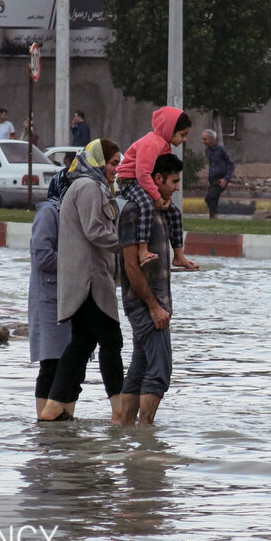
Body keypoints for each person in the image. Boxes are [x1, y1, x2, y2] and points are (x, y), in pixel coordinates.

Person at [39, 139, 126, 423]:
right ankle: (120, 412)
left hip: (87, 281)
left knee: (82, 343)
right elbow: (95, 230)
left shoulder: (91, 186)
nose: (116, 169)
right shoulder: (88, 187)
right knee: (111, 340)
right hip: (89, 282)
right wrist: (128, 245)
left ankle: (53, 408)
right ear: (99, 161)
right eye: (113, 163)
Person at [116, 153, 183, 426]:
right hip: (145, 303)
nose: (177, 187)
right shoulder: (135, 210)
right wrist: (154, 307)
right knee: (159, 370)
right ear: (157, 179)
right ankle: (146, 433)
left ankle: (124, 427)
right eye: (174, 181)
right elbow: (131, 267)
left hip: (157, 302)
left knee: (140, 368)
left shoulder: (157, 211)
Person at [28, 170, 83, 422]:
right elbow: (42, 255)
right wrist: (76, 262)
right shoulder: (48, 213)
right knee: (51, 364)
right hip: (50, 301)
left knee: (75, 365)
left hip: (75, 298)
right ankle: (46, 422)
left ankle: (65, 421)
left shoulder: (76, 214)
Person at [116, 107, 198, 271]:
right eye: (182, 134)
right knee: (146, 205)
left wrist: (167, 199)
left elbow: (161, 178)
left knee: (174, 212)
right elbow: (142, 173)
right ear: (170, 130)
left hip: (144, 182)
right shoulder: (152, 143)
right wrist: (155, 196)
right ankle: (143, 250)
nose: (184, 139)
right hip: (129, 180)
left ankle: (178, 255)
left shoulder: (165, 146)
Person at [201, 129, 236, 219]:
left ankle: (214, 216)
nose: (203, 142)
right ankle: (213, 218)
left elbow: (231, 164)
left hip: (221, 179)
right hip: (212, 178)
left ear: (212, 139)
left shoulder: (221, 150)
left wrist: (226, 178)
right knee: (213, 199)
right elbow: (211, 164)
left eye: (205, 139)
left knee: (209, 197)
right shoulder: (207, 150)